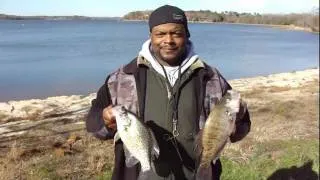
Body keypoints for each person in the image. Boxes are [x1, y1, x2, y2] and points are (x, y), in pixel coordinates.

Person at [86, 4, 251, 180]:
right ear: (151, 36)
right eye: (160, 34)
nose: (168, 40)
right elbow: (93, 123)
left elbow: (241, 129)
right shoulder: (122, 77)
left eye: (176, 33)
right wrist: (104, 120)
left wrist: (238, 117)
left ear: (186, 36)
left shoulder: (211, 78)